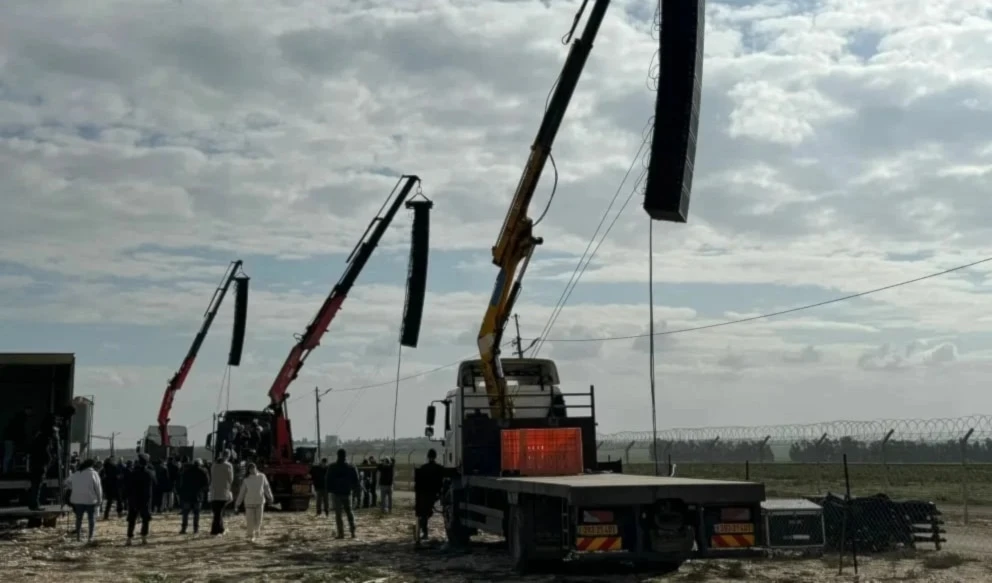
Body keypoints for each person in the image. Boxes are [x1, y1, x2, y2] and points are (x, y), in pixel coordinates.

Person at [324, 448, 359, 539]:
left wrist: (329, 490)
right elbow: (356, 480)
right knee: (349, 512)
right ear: (345, 455)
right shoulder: (351, 467)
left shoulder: (332, 467)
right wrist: (354, 490)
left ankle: (341, 533)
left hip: (337, 493)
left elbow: (328, 479)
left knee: (338, 514)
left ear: (337, 455)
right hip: (347, 492)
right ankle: (352, 532)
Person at [235, 462, 273, 543]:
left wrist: (270, 497)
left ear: (256, 468)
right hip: (249, 502)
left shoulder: (262, 476)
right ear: (248, 470)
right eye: (250, 469)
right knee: (250, 520)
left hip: (260, 501)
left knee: (259, 520)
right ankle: (250, 535)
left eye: (253, 468)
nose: (252, 470)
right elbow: (242, 492)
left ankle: (256, 531)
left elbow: (266, 487)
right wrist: (237, 503)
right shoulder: (246, 480)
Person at [67, 459, 103, 542]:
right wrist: (99, 499)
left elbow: (66, 482)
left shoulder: (76, 473)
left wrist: (74, 488)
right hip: (90, 499)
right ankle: (90, 537)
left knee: (78, 518)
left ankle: (78, 537)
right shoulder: (93, 473)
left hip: (77, 499)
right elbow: (98, 488)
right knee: (91, 518)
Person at [124, 454, 156, 546]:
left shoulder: (132, 473)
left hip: (133, 499)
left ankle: (129, 538)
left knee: (132, 519)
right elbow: (155, 484)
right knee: (145, 519)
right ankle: (144, 538)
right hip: (145, 499)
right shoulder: (149, 473)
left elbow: (127, 487)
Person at [415, 449, 444, 540]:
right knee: (428, 512)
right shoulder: (439, 468)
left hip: (424, 493)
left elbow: (418, 482)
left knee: (425, 513)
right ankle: (422, 528)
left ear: (428, 456)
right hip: (433, 494)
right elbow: (441, 482)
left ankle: (424, 531)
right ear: (435, 456)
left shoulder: (423, 468)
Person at [178, 459, 209, 535]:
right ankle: (196, 529)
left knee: (185, 513)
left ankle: (184, 528)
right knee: (196, 514)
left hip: (187, 495)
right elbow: (207, 483)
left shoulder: (186, 471)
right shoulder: (203, 472)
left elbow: (181, 483)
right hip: (198, 495)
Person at [209, 451, 234, 536]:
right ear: (228, 456)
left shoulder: (214, 465)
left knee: (217, 511)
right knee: (219, 512)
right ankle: (218, 530)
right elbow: (231, 479)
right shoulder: (228, 465)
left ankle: (217, 529)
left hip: (214, 491)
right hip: (223, 491)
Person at [2, 406, 32, 474]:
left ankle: (6, 470)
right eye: (29, 411)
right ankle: (5, 470)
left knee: (9, 455)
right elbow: (19, 430)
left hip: (10, 438)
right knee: (8, 455)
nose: (30, 413)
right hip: (10, 438)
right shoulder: (21, 418)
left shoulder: (19, 418)